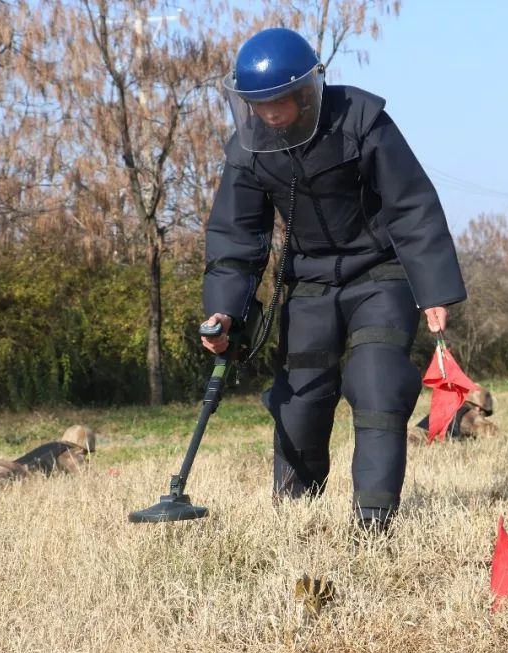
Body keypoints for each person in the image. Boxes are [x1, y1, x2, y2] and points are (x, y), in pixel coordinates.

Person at [200, 28, 467, 533]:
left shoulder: (362, 121)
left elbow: (412, 204)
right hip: (308, 281)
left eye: (279, 100)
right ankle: (296, 516)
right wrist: (223, 310)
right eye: (259, 103)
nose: (271, 113)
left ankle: (373, 524)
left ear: (307, 91)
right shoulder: (247, 149)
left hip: (380, 273)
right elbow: (235, 237)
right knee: (299, 401)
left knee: (377, 382)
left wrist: (434, 289)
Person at [409, 386, 498, 444]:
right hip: (418, 442)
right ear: (478, 408)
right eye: (484, 414)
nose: (483, 416)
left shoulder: (451, 408)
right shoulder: (469, 414)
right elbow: (491, 432)